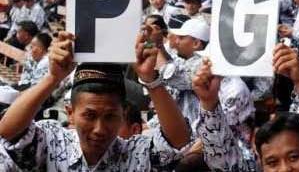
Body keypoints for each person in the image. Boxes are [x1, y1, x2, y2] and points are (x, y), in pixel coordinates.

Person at [0, 31, 193, 171]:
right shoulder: (52, 141)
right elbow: (9, 131)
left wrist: (151, 80)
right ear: (70, 113)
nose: (99, 129)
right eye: (89, 115)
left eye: (110, 116)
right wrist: (52, 78)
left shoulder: (135, 153)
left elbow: (178, 140)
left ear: (123, 114)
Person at [196, 44, 299, 172]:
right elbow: (224, 163)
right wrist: (209, 103)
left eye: (293, 157)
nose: (284, 169)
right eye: (272, 162)